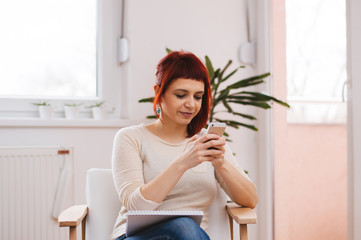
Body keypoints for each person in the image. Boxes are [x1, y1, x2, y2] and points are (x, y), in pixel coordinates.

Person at [111, 50, 258, 240]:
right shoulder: (130, 138)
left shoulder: (206, 141)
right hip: (135, 236)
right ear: (159, 92)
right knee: (184, 225)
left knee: (186, 228)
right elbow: (136, 205)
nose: (191, 105)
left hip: (190, 236)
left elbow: (250, 199)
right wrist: (182, 163)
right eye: (181, 95)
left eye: (198, 97)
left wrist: (221, 163)